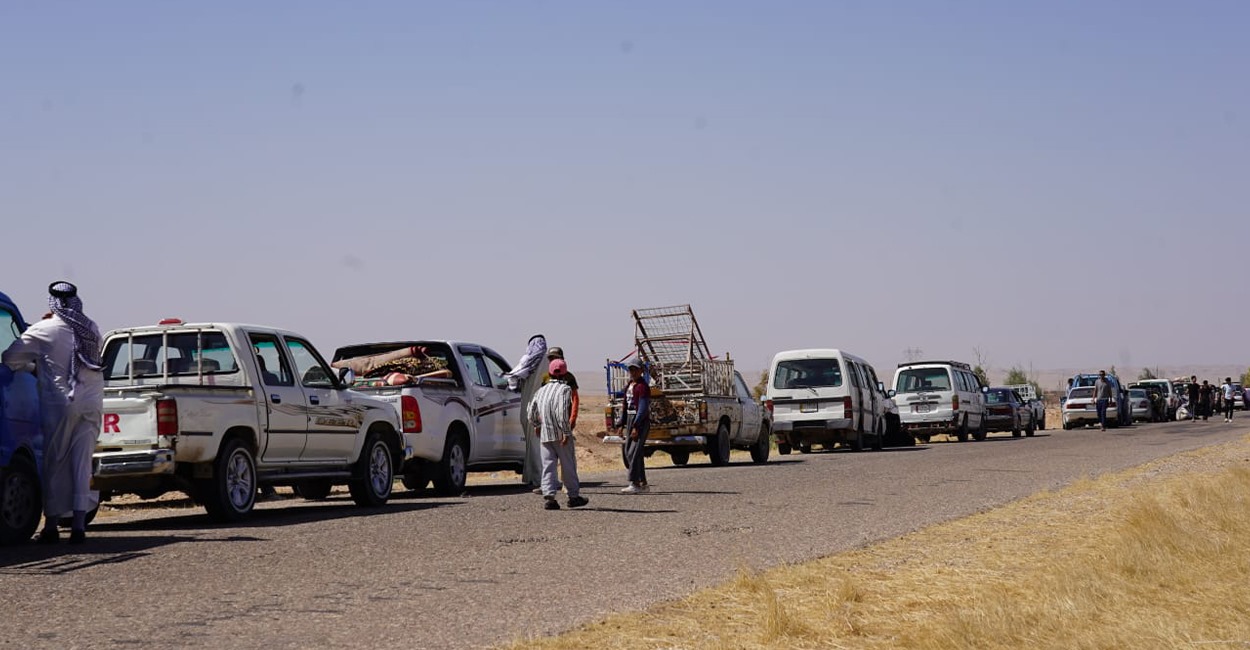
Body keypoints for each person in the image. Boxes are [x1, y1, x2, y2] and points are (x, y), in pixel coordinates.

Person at [0, 282, 104, 544]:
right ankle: (79, 525)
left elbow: (10, 358)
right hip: (92, 401)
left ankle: (52, 525)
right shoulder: (90, 328)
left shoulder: (43, 329)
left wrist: (34, 366)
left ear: (53, 302)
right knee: (81, 464)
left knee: (55, 462)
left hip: (61, 403)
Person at [527, 359, 587, 510]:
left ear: (550, 373)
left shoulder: (540, 391)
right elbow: (561, 412)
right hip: (561, 435)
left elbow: (531, 411)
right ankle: (573, 496)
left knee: (548, 465)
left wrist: (536, 425)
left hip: (545, 435)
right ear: (565, 374)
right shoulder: (565, 389)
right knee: (568, 465)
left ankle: (549, 497)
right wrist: (566, 432)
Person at [503, 334, 547, 488]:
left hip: (529, 409)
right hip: (543, 409)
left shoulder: (527, 361)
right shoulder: (547, 361)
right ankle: (534, 477)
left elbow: (512, 380)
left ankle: (537, 478)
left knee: (533, 445)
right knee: (537, 445)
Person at [614, 359, 651, 493]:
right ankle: (643, 483)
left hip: (639, 421)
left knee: (632, 452)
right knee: (635, 453)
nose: (633, 372)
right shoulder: (630, 385)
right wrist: (621, 424)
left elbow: (642, 408)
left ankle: (634, 483)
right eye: (631, 369)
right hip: (630, 419)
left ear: (641, 371)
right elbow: (625, 406)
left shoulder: (643, 387)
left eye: (635, 369)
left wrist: (636, 426)